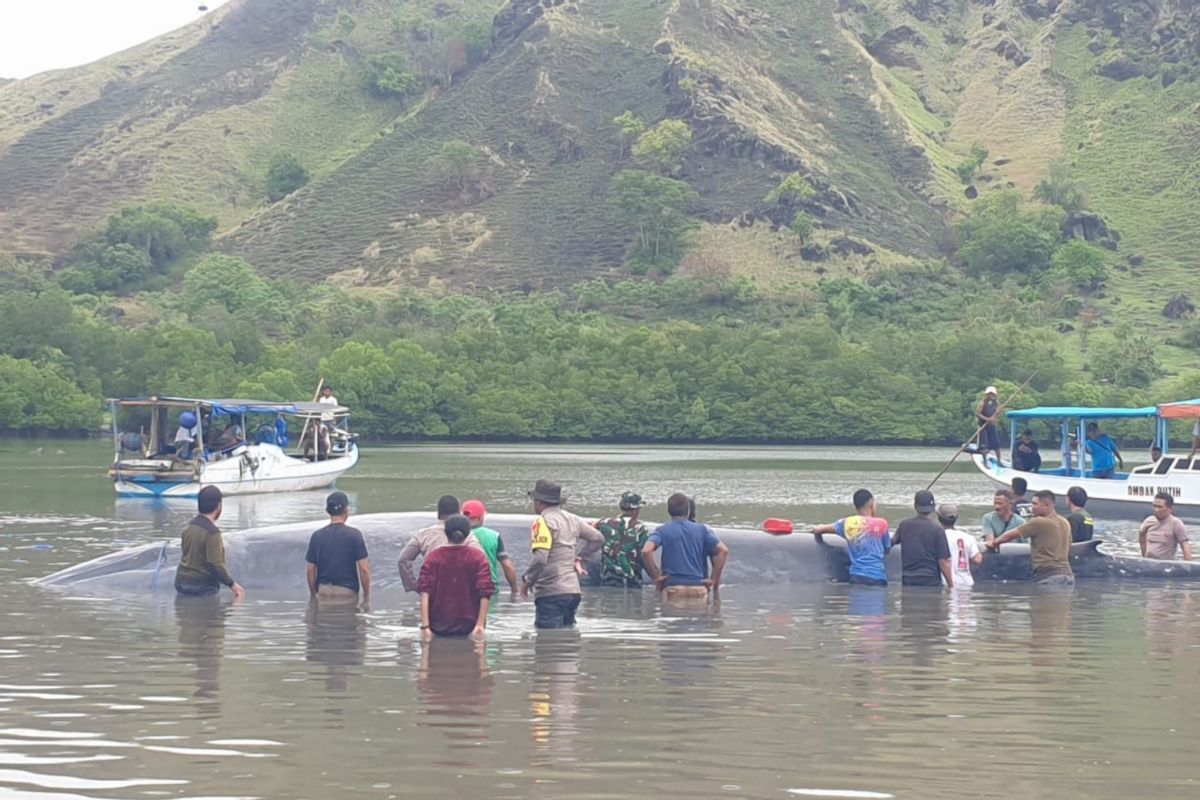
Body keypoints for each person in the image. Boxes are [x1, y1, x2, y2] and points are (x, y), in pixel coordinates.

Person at [521, 479, 604, 629]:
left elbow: (540, 559)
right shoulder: (572, 519)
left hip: (551, 592)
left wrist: (528, 581)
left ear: (538, 501)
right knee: (567, 644)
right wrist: (579, 557)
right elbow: (597, 538)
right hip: (573, 592)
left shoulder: (542, 522)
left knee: (547, 645)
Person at [417, 515, 495, 639]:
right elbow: (485, 592)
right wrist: (480, 625)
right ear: (468, 533)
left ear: (445, 533)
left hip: (438, 626)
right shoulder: (478, 557)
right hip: (470, 626)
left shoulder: (434, 558)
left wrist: (425, 626)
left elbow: (425, 591)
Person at [641, 492, 729, 600]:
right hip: (698, 589)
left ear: (668, 510)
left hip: (673, 589)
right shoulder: (703, 530)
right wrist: (713, 578)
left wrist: (656, 577)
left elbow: (646, 551)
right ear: (688, 511)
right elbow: (723, 550)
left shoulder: (662, 530)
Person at [805, 488, 892, 586]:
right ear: (872, 505)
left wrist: (813, 530)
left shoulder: (847, 523)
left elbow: (819, 529)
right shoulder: (882, 523)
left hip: (856, 576)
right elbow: (887, 549)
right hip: (877, 577)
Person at [988, 490, 1074, 587]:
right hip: (1068, 575)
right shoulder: (1065, 522)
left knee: (1041, 602)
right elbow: (1069, 544)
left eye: (1035, 504)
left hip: (1048, 575)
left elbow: (1009, 535)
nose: (1031, 507)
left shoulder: (1039, 522)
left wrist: (995, 543)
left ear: (1046, 505)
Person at [398, 495, 483, 591]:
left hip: (433, 590)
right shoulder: (467, 535)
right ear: (459, 513)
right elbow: (482, 560)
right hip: (462, 590)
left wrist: (414, 586)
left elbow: (403, 560)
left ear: (438, 513)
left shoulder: (423, 534)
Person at [175, 486, 245, 599]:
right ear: (218, 506)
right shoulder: (212, 533)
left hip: (181, 583)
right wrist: (233, 585)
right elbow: (215, 564)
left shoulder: (187, 528)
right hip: (202, 587)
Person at [305, 491, 370, 606]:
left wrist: (313, 594)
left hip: (323, 591)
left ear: (328, 511)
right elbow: (364, 569)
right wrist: (367, 596)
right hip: (346, 593)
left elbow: (310, 569)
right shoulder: (355, 535)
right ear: (346, 510)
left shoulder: (317, 536)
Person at [891, 490, 953, 587]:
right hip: (931, 581)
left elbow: (892, 542)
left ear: (915, 506)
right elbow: (943, 562)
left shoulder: (904, 525)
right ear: (933, 508)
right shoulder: (938, 529)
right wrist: (951, 585)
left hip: (908, 580)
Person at [462, 499, 519, 595]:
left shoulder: (456, 536)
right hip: (490, 588)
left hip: (464, 589)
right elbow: (507, 566)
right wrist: (514, 590)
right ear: (481, 517)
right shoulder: (494, 536)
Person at [595, 491, 651, 587]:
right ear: (636, 510)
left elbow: (590, 531)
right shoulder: (641, 528)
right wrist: (655, 575)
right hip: (632, 582)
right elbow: (643, 556)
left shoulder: (604, 523)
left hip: (608, 580)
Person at [938, 503, 982, 588]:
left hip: (946, 583)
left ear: (939, 518)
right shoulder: (968, 537)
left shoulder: (938, 537)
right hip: (966, 582)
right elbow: (978, 559)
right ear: (956, 518)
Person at [1138, 493, 1192, 561]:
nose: (1156, 509)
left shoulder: (1176, 523)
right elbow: (1141, 537)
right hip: (1149, 563)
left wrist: (1188, 566)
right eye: (1154, 506)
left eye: (1160, 507)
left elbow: (1185, 546)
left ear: (1170, 509)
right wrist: (1144, 556)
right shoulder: (1148, 521)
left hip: (1166, 565)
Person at [976, 385, 1002, 463]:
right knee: (985, 445)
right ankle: (985, 462)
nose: (991, 395)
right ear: (987, 394)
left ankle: (999, 461)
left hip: (992, 426)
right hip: (983, 426)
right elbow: (978, 413)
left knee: (996, 444)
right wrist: (987, 419)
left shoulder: (996, 402)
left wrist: (997, 413)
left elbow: (997, 413)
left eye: (992, 394)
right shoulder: (983, 402)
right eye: (990, 394)